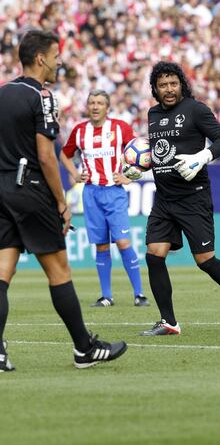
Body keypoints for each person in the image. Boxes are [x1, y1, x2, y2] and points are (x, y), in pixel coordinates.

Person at [0, 29, 127, 371]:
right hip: (31, 190)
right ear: (41, 58)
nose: (59, 62)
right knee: (59, 271)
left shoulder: (2, 93)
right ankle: (84, 348)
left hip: (2, 191)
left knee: (2, 273)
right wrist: (61, 201)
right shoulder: (42, 96)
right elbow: (46, 155)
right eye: (56, 56)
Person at [124, 61, 220, 336]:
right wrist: (139, 168)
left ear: (181, 84)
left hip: (193, 197)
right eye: (163, 85)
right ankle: (169, 321)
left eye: (173, 84)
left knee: (205, 260)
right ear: (155, 89)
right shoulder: (153, 114)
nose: (169, 90)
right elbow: (161, 153)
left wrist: (201, 157)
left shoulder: (195, 110)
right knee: (154, 256)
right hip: (164, 199)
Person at [60, 90, 149, 308]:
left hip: (114, 192)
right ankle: (106, 296)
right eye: (92, 102)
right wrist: (74, 173)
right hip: (91, 193)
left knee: (122, 241)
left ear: (107, 107)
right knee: (101, 245)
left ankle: (139, 294)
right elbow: (64, 154)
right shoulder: (80, 131)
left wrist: (128, 178)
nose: (95, 106)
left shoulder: (120, 128)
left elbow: (142, 153)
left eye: (100, 102)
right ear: (87, 106)